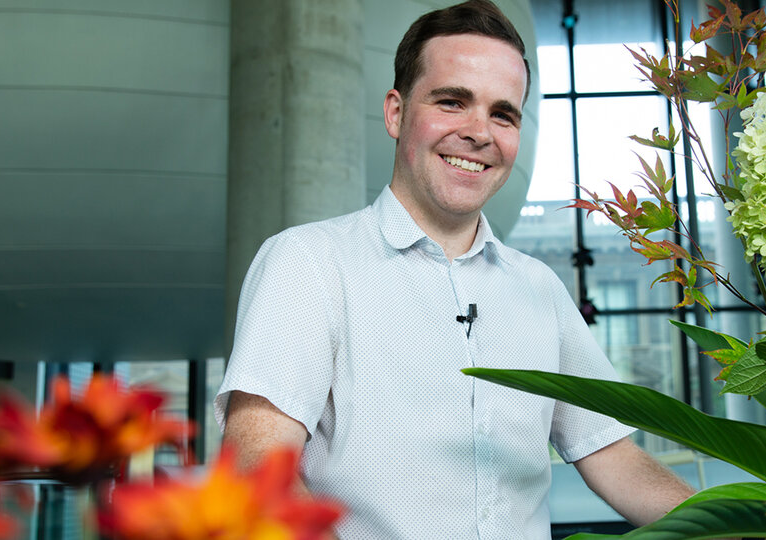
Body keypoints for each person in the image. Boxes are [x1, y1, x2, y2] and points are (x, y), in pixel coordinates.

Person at [215, 1, 698, 537]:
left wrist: (741, 527)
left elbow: (614, 458)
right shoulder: (308, 264)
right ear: (396, 113)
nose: (479, 133)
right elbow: (257, 468)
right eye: (452, 101)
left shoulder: (539, 288)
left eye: (502, 113)